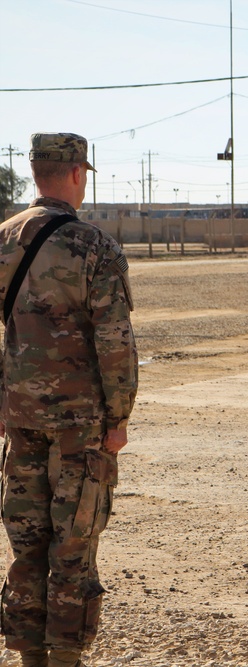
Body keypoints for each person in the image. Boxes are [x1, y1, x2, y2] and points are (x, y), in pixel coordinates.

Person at [0, 133, 138, 667]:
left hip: (21, 418)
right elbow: (115, 341)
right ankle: (64, 657)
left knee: (27, 541)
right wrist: (119, 417)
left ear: (35, 172)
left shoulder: (5, 238)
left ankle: (29, 655)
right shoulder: (93, 245)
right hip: (80, 423)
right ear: (78, 173)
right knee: (73, 543)